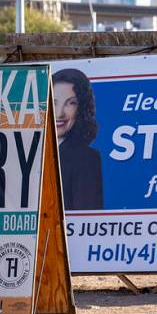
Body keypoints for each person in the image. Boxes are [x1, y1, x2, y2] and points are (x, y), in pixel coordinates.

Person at [52, 68, 104, 210]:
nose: (59, 113)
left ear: (81, 108)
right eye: (54, 101)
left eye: (70, 103)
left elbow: (87, 220)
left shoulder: (86, 159)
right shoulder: (26, 151)